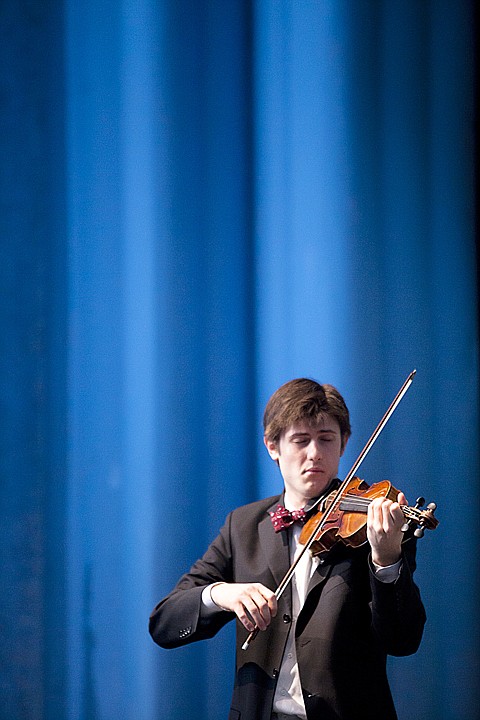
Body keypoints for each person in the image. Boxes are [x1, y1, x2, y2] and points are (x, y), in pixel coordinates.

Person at [149, 378, 426, 720]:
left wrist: (385, 560)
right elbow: (164, 622)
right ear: (272, 446)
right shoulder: (243, 525)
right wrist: (221, 594)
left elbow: (403, 640)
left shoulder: (374, 522)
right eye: (300, 440)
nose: (314, 453)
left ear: (344, 444)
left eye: (326, 439)